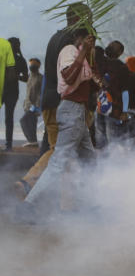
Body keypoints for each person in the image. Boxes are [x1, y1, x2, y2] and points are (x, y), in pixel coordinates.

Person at [13, 3, 91, 200]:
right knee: (60, 154)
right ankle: (29, 184)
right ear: (76, 19)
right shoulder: (70, 43)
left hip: (51, 101)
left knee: (69, 154)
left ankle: (69, 203)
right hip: (63, 101)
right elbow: (68, 76)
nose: (90, 22)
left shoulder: (56, 37)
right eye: (87, 17)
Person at [24, 28, 99, 210]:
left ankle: (91, 202)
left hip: (78, 113)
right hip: (71, 110)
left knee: (90, 159)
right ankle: (28, 204)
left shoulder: (82, 56)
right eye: (86, 38)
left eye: (92, 40)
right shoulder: (69, 51)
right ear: (77, 38)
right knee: (58, 162)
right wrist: (83, 52)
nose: (90, 42)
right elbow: (69, 75)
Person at [94, 40, 131, 148]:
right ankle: (101, 163)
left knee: (113, 141)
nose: (110, 47)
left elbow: (125, 91)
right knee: (100, 139)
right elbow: (95, 50)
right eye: (110, 45)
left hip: (115, 109)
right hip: (99, 107)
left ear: (120, 52)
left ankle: (114, 163)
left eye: (114, 47)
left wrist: (125, 111)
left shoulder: (122, 68)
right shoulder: (100, 61)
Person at [2, 37, 29, 150]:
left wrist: (15, 76)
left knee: (9, 118)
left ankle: (9, 144)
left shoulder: (8, 58)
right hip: (12, 92)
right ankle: (9, 144)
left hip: (7, 91)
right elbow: (26, 78)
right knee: (9, 118)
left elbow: (26, 78)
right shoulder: (20, 59)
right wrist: (16, 76)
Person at [19, 57, 43, 146]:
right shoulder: (29, 76)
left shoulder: (40, 78)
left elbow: (41, 93)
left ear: (38, 66)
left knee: (23, 121)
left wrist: (37, 106)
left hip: (35, 106)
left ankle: (31, 140)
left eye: (34, 65)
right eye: (31, 64)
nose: (32, 66)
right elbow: (22, 78)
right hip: (28, 105)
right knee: (32, 124)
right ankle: (34, 142)